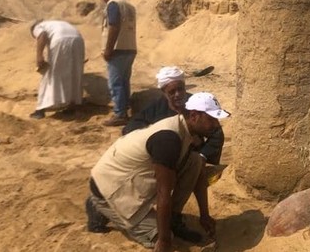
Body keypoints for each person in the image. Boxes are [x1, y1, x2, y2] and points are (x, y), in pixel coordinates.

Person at [86, 92, 230, 251]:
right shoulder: (168, 139)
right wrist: (164, 240)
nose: (216, 125)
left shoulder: (187, 131)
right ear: (194, 116)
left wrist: (204, 215)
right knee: (160, 236)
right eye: (211, 119)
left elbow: (199, 174)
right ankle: (98, 207)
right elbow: (164, 193)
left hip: (132, 181)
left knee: (195, 162)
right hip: (111, 188)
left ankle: (173, 219)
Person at [123, 66, 226, 235]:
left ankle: (174, 215)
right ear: (164, 92)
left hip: (191, 158)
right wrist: (154, 139)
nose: (178, 94)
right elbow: (130, 128)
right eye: (172, 91)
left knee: (195, 165)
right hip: (163, 159)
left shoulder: (197, 105)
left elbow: (217, 133)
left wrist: (202, 154)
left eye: (181, 89)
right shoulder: (156, 109)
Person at [98, 0, 137, 127]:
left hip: (118, 49)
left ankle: (120, 114)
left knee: (115, 83)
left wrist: (109, 49)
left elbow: (114, 26)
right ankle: (124, 108)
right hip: (130, 48)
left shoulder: (113, 4)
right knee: (124, 81)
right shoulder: (129, 5)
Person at [29, 20, 85, 119]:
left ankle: (40, 110)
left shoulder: (38, 27)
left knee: (50, 74)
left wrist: (39, 56)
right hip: (78, 39)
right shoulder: (55, 23)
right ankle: (75, 106)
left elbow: (42, 35)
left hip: (60, 39)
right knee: (76, 73)